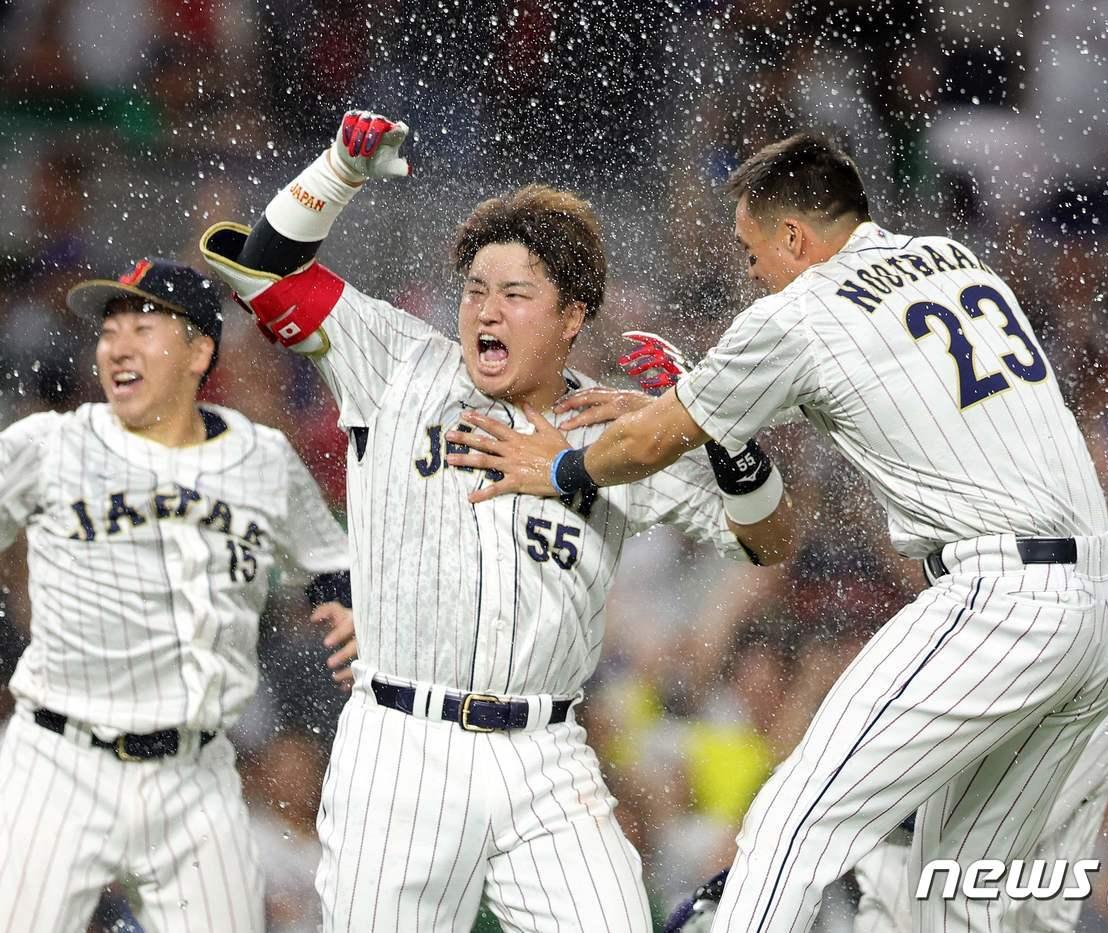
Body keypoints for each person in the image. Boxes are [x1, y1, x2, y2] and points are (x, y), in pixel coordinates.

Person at [450, 132, 1108, 931]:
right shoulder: (955, 260)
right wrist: (675, 409)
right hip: (1106, 611)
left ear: (793, 236)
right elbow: (860, 390)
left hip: (1004, 603)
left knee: (794, 820)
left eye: (753, 251)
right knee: (967, 897)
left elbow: (654, 443)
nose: (750, 274)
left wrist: (562, 467)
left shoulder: (800, 312)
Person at [198, 109, 794, 932]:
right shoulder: (398, 364)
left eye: (516, 295)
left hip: (545, 759)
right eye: (475, 290)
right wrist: (339, 170)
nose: (486, 310)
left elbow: (768, 537)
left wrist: (717, 430)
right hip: (402, 747)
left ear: (572, 316)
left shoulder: (617, 432)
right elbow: (262, 271)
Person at [0, 258, 356, 933]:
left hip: (193, 774)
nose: (117, 347)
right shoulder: (53, 444)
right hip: (62, 762)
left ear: (199, 351)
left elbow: (330, 561)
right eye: (109, 331)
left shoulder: (263, 460)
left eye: (142, 328)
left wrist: (344, 605)